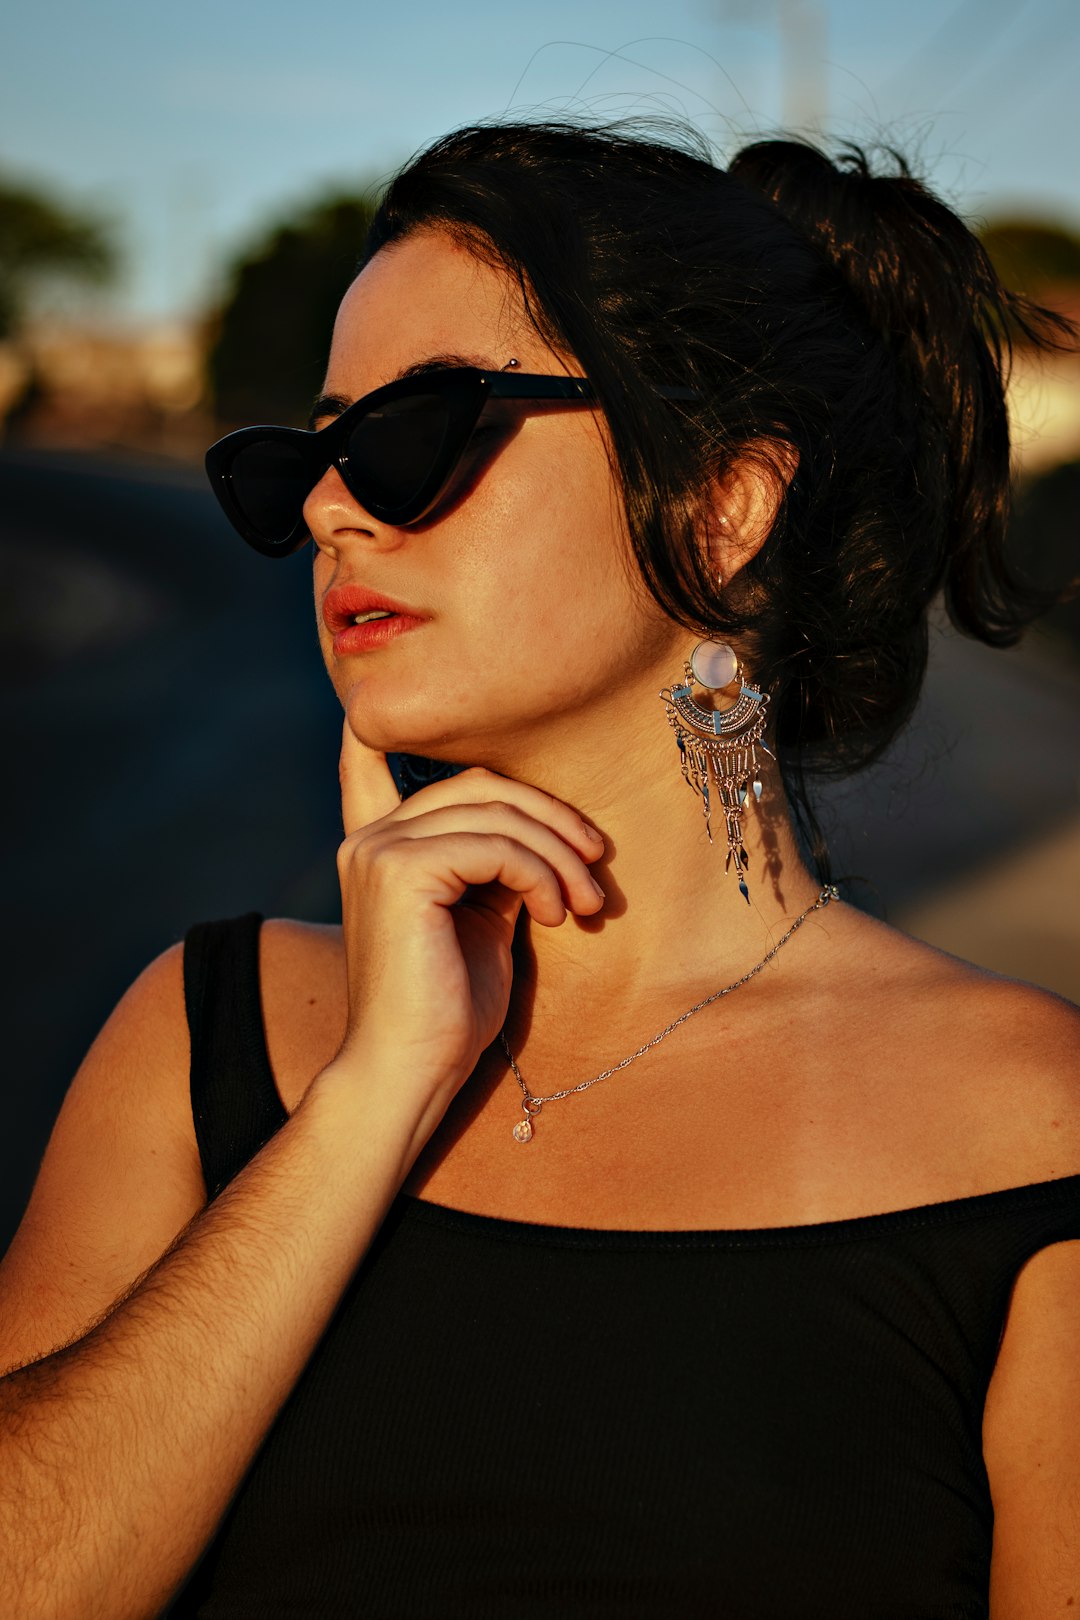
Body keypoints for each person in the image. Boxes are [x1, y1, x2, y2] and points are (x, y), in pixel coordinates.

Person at [1, 118, 1078, 1619]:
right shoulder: (207, 1030)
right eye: (304, 454)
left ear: (723, 503)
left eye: (412, 432)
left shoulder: (1032, 1124)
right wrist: (365, 1103)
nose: (328, 505)